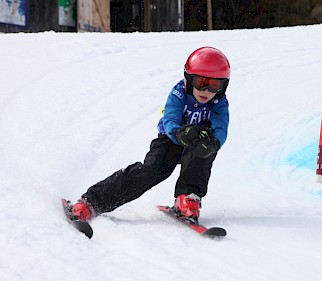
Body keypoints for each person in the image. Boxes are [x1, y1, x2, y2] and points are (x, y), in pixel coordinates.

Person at [69, 46, 230, 224]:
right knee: (151, 170)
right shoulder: (179, 94)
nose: (206, 90)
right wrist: (178, 132)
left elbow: (221, 127)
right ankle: (93, 201)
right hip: (170, 139)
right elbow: (170, 118)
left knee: (202, 154)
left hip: (197, 141)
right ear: (189, 79)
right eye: (201, 82)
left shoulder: (219, 103)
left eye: (214, 85)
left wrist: (214, 143)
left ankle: (188, 198)